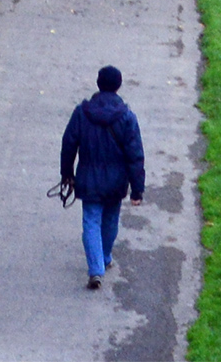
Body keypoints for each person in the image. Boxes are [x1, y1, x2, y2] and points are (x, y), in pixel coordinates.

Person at [60, 65, 145, 290]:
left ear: (98, 84)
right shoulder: (127, 116)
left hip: (88, 177)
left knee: (91, 220)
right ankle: (104, 257)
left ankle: (96, 269)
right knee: (110, 220)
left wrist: (66, 173)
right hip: (116, 181)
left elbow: (68, 144)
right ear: (118, 85)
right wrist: (137, 189)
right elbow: (135, 155)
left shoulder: (82, 112)